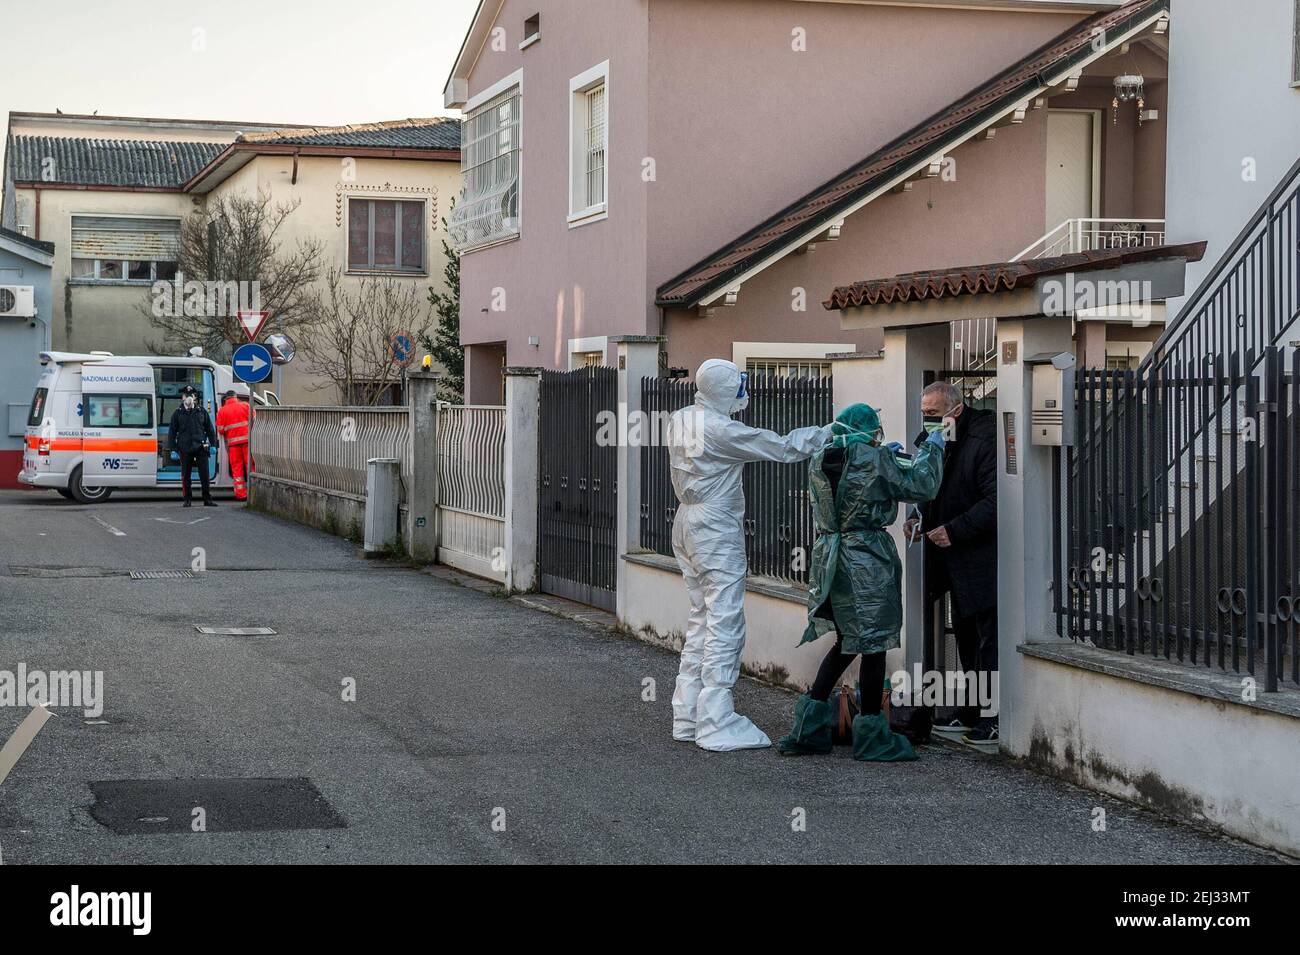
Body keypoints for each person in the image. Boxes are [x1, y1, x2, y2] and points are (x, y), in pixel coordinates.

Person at [668, 359, 832, 752]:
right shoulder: (721, 429)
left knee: (702, 619)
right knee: (725, 621)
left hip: (687, 521)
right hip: (714, 526)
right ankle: (716, 718)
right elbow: (780, 446)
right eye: (740, 385)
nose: (745, 391)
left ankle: (687, 713)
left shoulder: (682, 417)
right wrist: (828, 433)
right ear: (726, 390)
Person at [778, 403, 945, 760]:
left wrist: (880, 457)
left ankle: (808, 728)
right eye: (875, 431)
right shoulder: (875, 459)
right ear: (869, 431)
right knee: (873, 643)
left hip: (830, 559)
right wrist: (933, 446)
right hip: (867, 559)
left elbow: (850, 480)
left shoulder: (819, 458)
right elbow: (921, 485)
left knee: (845, 640)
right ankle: (872, 736)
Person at [903, 381, 998, 747]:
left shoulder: (982, 443)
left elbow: (994, 501)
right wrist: (917, 515)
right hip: (952, 558)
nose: (925, 421)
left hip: (980, 557)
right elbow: (929, 486)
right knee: (966, 635)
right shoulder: (937, 440)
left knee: (988, 639)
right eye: (923, 413)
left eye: (932, 414)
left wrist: (955, 530)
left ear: (955, 412)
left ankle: (992, 717)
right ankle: (972, 710)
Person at [169, 385, 218, 508]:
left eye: (191, 395)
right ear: (182, 397)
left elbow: (210, 429)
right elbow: (172, 432)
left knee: (204, 475)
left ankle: (207, 499)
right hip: (185, 448)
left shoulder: (202, 411)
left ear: (195, 397)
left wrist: (213, 445)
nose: (189, 398)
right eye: (187, 395)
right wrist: (173, 449)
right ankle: (187, 499)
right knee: (186, 475)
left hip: (200, 447)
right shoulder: (177, 413)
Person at [216, 390, 251, 501]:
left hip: (233, 445)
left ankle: (241, 494)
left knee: (237, 470)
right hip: (248, 442)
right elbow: (255, 421)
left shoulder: (222, 411)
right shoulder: (246, 405)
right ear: (236, 397)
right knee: (251, 467)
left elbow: (220, 430)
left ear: (226, 399)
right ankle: (254, 492)